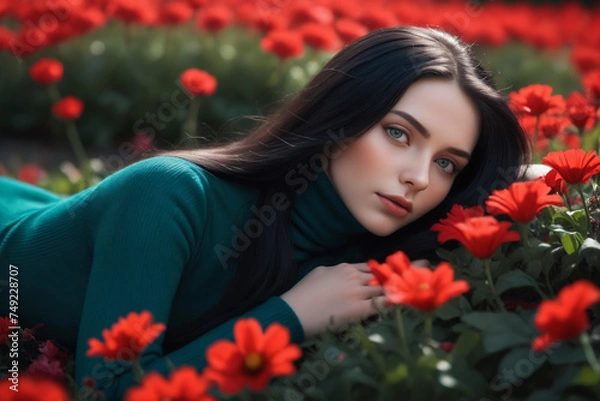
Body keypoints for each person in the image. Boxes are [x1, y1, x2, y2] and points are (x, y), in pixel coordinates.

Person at [0, 26, 530, 399]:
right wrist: (292, 316)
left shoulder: (361, 252)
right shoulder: (168, 195)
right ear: (340, 116)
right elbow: (107, 393)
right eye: (398, 133)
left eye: (446, 163)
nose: (419, 176)